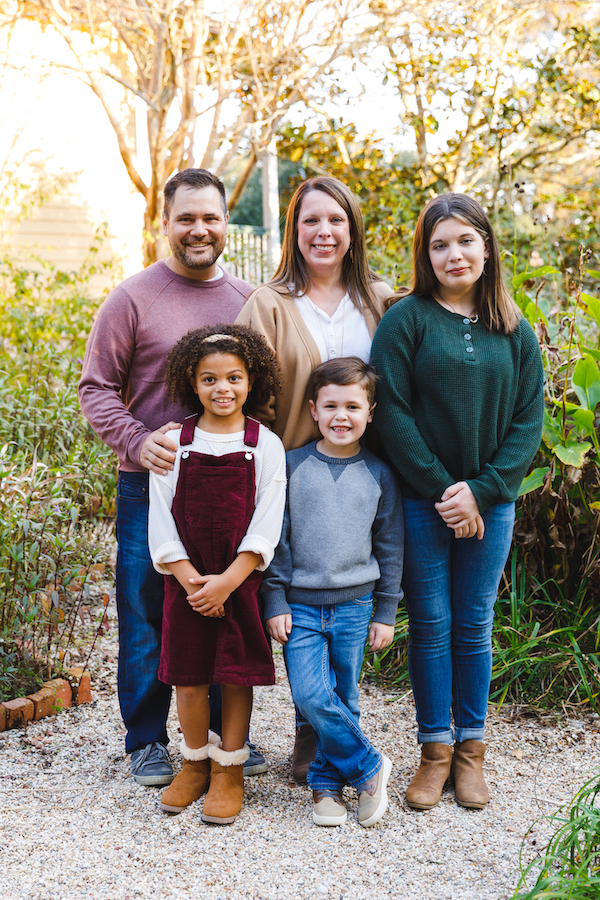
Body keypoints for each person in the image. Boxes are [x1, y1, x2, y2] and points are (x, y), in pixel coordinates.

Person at [78, 169, 266, 787]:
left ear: (225, 224)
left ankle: (216, 739)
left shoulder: (247, 300)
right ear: (165, 223)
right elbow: (97, 390)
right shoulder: (131, 298)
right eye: (186, 218)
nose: (199, 229)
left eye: (210, 217)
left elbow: (259, 390)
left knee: (225, 603)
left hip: (227, 486)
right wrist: (137, 442)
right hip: (148, 485)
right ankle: (146, 742)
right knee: (147, 612)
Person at [370, 193, 544, 811]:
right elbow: (389, 410)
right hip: (424, 501)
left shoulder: (513, 327)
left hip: (491, 504)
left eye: (466, 240)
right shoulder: (406, 321)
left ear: (488, 246)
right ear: (426, 253)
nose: (454, 254)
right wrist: (447, 489)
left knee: (474, 625)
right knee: (433, 626)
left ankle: (471, 752)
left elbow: (529, 421)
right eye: (440, 244)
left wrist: (483, 490)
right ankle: (433, 752)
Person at [236, 175, 395, 780]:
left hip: (364, 481)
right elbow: (244, 396)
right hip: (289, 480)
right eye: (310, 221)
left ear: (352, 230)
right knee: (299, 609)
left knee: (348, 616)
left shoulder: (383, 300)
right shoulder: (268, 304)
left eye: (336, 221)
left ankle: (333, 732)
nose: (323, 232)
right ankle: (310, 731)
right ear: (293, 230)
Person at [148, 324, 286, 822]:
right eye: (209, 379)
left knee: (233, 674)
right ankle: (194, 763)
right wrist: (191, 581)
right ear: (192, 381)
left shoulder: (265, 445)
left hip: (240, 579)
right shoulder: (173, 442)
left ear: (252, 381)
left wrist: (228, 581)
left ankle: (229, 768)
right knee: (187, 677)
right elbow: (160, 520)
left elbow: (268, 522)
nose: (222, 388)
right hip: (184, 583)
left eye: (233, 377)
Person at [262, 357, 404, 827]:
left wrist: (386, 610)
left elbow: (390, 544)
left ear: (370, 412)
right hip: (300, 605)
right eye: (331, 406)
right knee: (310, 693)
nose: (341, 416)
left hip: (355, 605)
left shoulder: (380, 474)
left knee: (345, 695)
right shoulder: (292, 465)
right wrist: (276, 598)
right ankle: (368, 765)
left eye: (353, 406)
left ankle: (326, 788)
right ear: (313, 410)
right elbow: (276, 538)